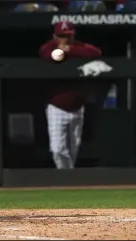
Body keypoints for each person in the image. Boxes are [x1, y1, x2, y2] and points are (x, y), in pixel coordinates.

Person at [39, 20, 101, 169]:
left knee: (74, 148)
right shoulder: (49, 47)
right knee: (57, 149)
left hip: (77, 106)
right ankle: (65, 176)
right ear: (55, 36)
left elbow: (96, 53)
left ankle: (68, 178)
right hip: (57, 106)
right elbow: (52, 55)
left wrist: (70, 51)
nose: (65, 39)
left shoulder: (80, 47)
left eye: (68, 36)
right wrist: (63, 51)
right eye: (61, 36)